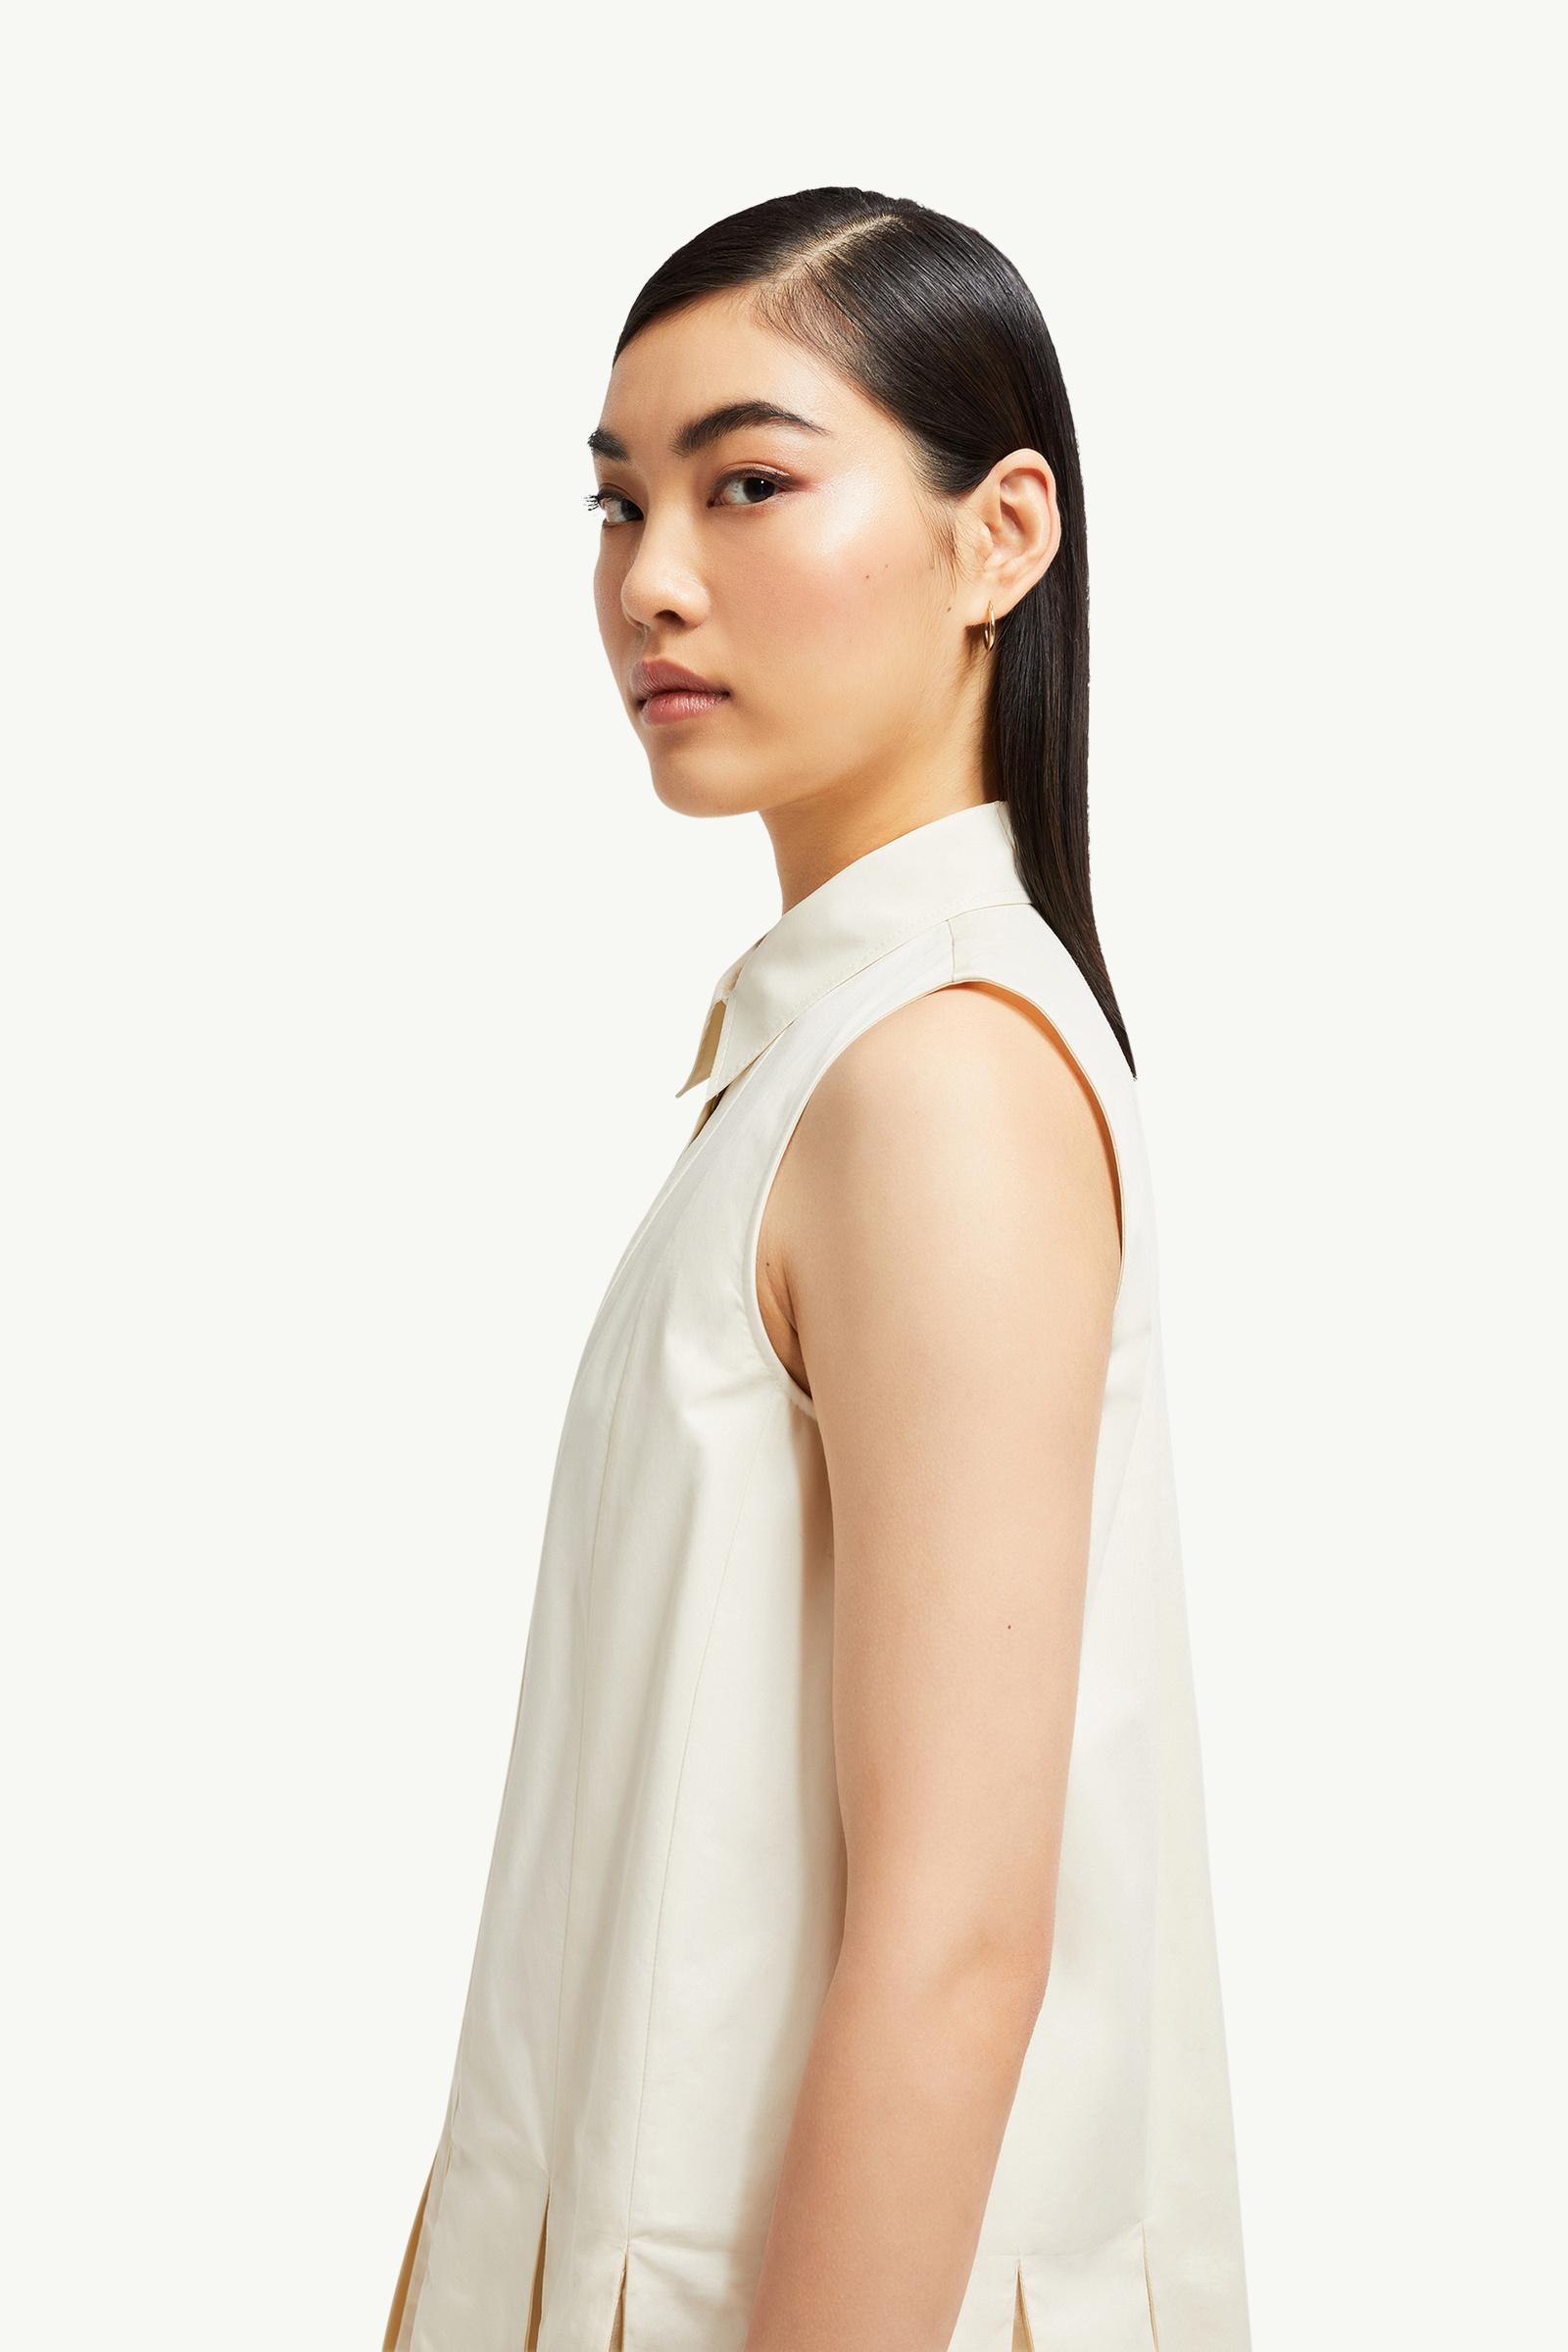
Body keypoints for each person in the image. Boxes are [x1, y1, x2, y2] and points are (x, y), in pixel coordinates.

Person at [384, 185, 1250, 2352]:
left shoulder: (935, 1077)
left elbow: (958, 1948)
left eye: (749, 483)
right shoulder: (824, 1062)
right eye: (616, 503)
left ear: (1001, 536)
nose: (651, 580)